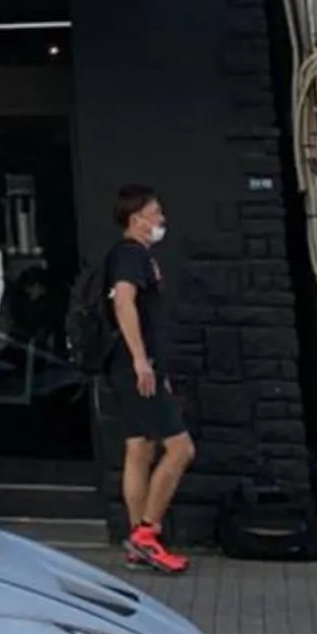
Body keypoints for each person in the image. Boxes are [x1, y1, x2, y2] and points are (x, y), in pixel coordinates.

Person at [105, 183, 194, 574]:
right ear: (136, 217)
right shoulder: (130, 255)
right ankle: (147, 533)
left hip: (133, 367)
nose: (161, 220)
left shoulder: (132, 255)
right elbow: (124, 301)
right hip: (136, 368)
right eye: (155, 212)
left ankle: (137, 542)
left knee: (139, 448)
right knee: (180, 449)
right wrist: (141, 361)